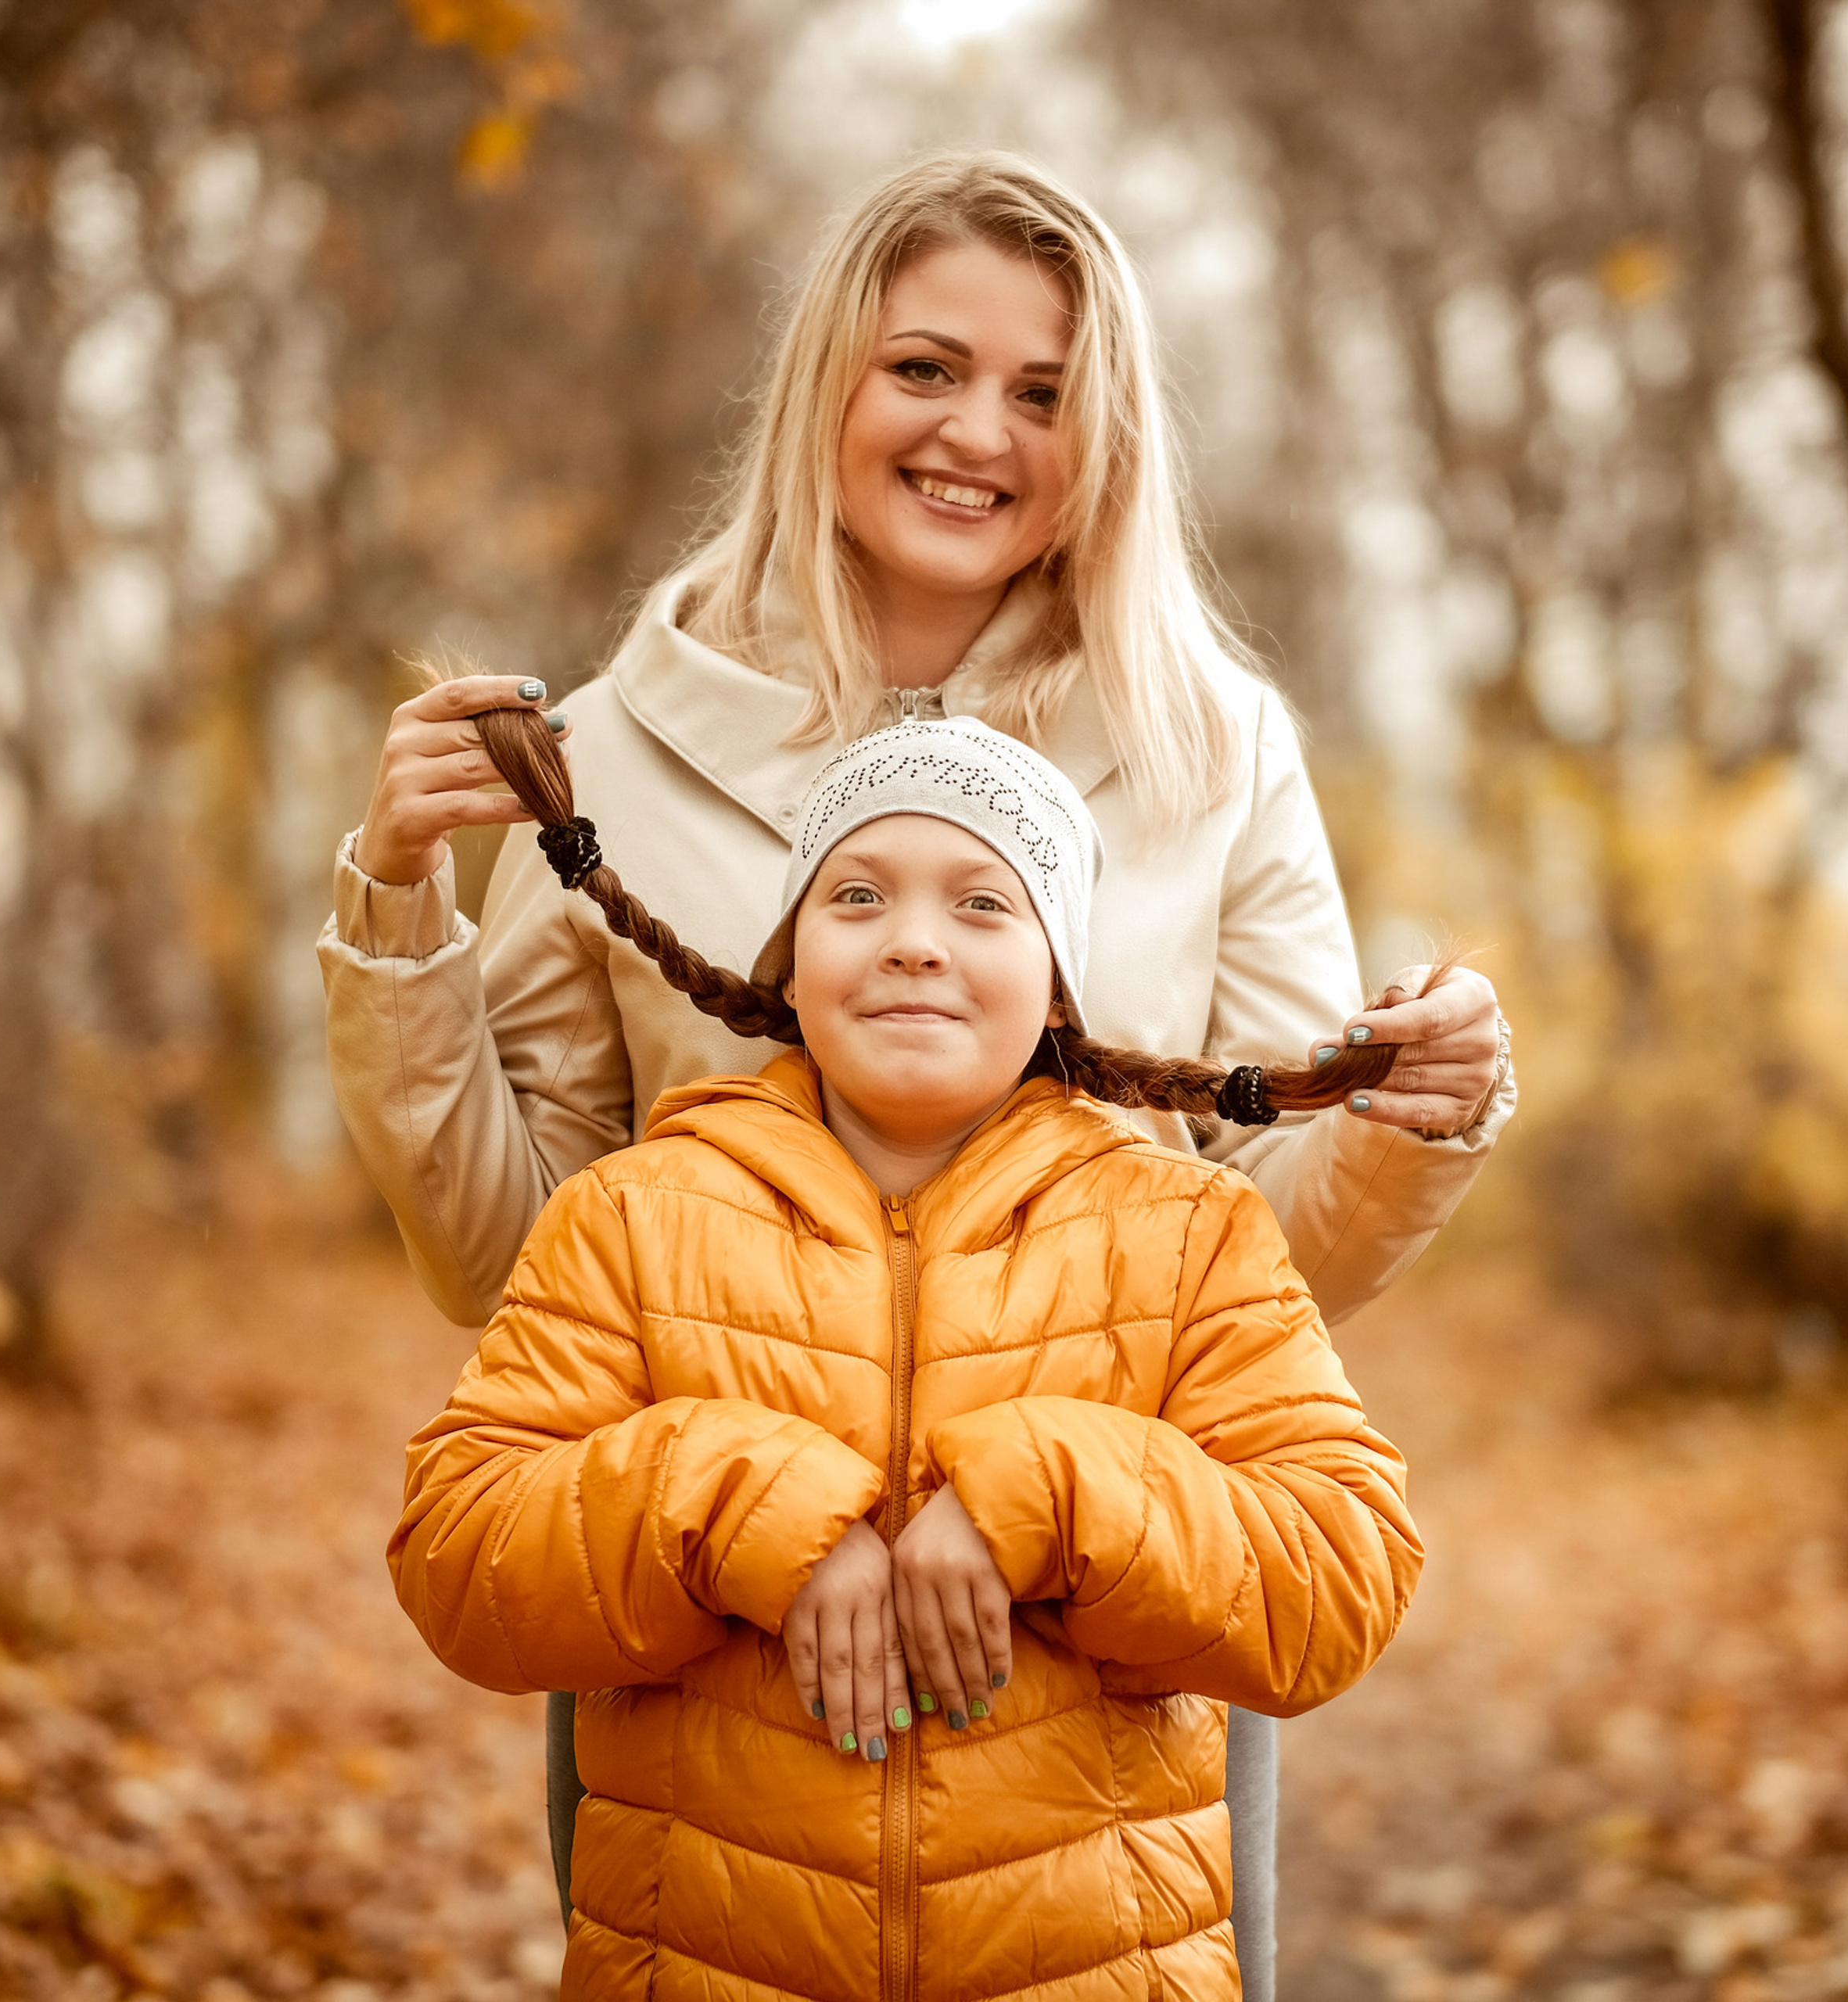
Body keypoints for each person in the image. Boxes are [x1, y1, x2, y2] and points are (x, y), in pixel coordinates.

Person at [320, 151, 1513, 1999]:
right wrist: (398, 909)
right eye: (926, 368)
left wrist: (1401, 1125)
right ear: (831, 386)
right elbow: (516, 1261)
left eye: (1044, 392)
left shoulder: (1207, 742)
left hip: (1096, 1669)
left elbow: (1249, 1262)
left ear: (1103, 431)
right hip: (712, 1667)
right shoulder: (621, 742)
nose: (981, 431)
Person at [390, 713, 1425, 2002]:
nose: (915, 939)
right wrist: (739, 1505)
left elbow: (1341, 1567)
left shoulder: (1189, 1237)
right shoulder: (633, 1218)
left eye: (985, 902)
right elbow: (459, 1553)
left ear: (1059, 979)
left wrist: (1051, 1494)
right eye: (860, 895)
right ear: (791, 954)